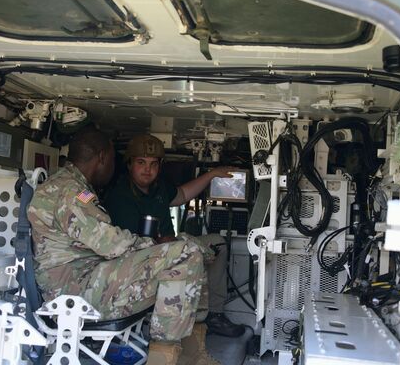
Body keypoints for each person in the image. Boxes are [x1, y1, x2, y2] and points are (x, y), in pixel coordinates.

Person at [27, 127, 210, 365]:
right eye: (113, 159)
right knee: (185, 254)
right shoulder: (71, 192)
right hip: (77, 292)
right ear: (102, 157)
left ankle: (186, 351)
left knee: (187, 251)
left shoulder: (67, 185)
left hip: (79, 282)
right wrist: (155, 244)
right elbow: (111, 244)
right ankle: (163, 357)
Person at [103, 134, 246, 340]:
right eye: (141, 163)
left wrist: (213, 174)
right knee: (187, 253)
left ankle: (214, 314)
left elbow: (182, 195)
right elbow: (126, 247)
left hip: (173, 247)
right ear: (129, 165)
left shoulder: (159, 187)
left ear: (160, 166)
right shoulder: (120, 196)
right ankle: (166, 325)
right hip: (144, 262)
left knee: (218, 244)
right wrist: (165, 245)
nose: (147, 169)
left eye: (153, 164)